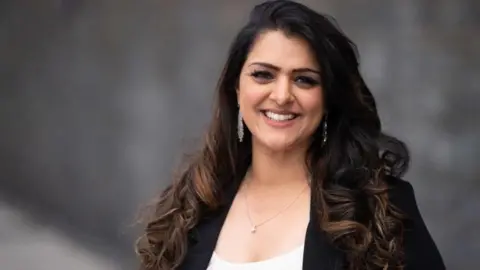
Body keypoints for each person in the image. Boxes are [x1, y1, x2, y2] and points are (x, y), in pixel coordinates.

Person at [135, 1, 445, 269]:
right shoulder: (194, 201)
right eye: (263, 75)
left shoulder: (379, 207)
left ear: (328, 100)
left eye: (305, 80)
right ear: (237, 88)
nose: (282, 95)